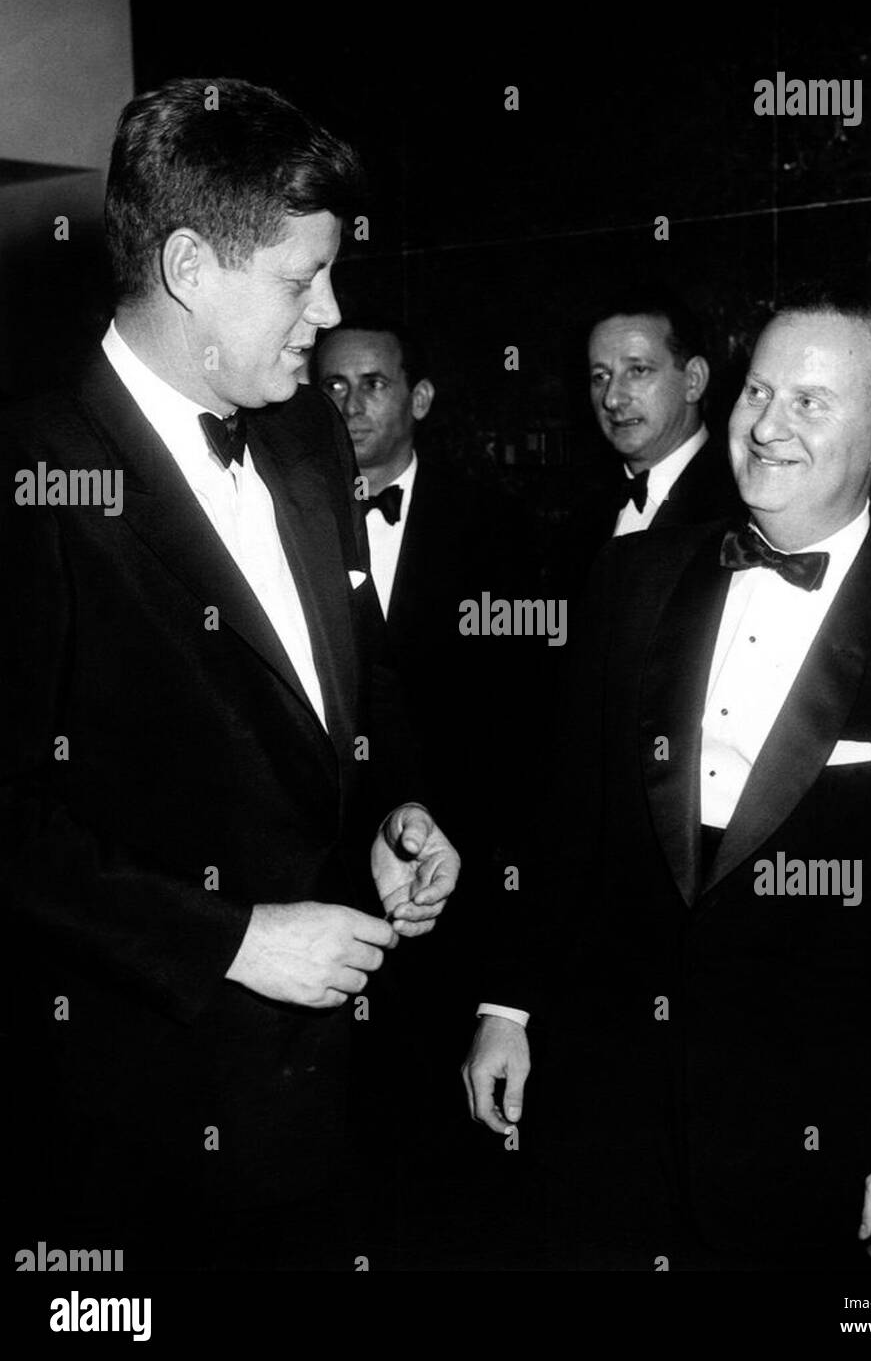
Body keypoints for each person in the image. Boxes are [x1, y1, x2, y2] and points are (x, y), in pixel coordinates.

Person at [2, 77, 459, 1271]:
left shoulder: (305, 432)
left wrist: (399, 809)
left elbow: (356, 681)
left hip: (336, 1114)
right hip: (132, 1131)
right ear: (193, 264)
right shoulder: (34, 472)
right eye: (300, 279)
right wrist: (228, 937)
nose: (330, 310)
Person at [465, 290, 871, 1270]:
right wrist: (506, 1007)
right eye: (756, 391)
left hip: (815, 1138)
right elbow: (564, 816)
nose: (766, 425)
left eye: (809, 402)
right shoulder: (630, 579)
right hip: (609, 1101)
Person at [317, 318, 540, 1267]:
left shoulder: (506, 532)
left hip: (470, 903)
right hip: (321, 911)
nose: (349, 405)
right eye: (330, 386)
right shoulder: (272, 518)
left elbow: (532, 747)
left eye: (371, 383)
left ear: (420, 397)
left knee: (455, 1184)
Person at [547, 287, 738, 600]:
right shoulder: (583, 517)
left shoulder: (742, 512)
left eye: (637, 370)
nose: (611, 398)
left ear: (693, 380)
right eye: (600, 376)